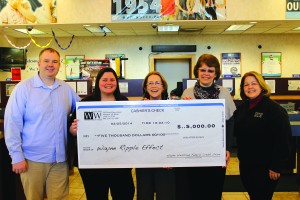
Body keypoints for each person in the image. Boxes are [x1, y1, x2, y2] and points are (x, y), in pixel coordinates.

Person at [4, 48, 80, 200]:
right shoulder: (23, 89)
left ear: (60, 65)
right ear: (38, 64)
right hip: (32, 160)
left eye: (54, 61)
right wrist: (16, 156)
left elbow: (82, 109)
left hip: (60, 160)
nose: (50, 65)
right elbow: (12, 124)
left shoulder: (65, 88)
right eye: (46, 61)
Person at [68, 67, 135, 200]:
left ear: (117, 82)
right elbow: (71, 127)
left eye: (112, 79)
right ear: (98, 82)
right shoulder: (86, 103)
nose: (108, 82)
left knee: (124, 194)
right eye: (104, 79)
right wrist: (73, 130)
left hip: (119, 163)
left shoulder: (124, 102)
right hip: (93, 166)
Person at [176, 54, 236, 200]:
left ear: (216, 73)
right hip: (193, 151)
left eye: (210, 70)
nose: (206, 74)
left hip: (215, 151)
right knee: (193, 190)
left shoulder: (224, 93)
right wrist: (184, 107)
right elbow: (180, 123)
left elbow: (230, 123)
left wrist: (227, 148)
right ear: (197, 71)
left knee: (213, 190)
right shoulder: (187, 93)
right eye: (203, 70)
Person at [233, 71, 292, 200]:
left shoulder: (274, 109)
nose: (250, 87)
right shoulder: (242, 109)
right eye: (246, 85)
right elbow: (234, 131)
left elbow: (283, 139)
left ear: (261, 86)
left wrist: (276, 166)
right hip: (246, 165)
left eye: (254, 83)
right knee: (254, 195)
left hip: (266, 168)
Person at [136, 71, 176, 200]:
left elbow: (177, 135)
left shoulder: (173, 108)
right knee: (144, 195)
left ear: (163, 87)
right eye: (151, 83)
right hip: (144, 162)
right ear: (146, 88)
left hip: (166, 163)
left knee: (166, 195)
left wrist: (172, 156)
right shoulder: (136, 109)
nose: (154, 86)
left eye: (158, 83)